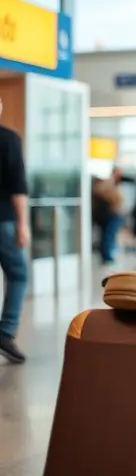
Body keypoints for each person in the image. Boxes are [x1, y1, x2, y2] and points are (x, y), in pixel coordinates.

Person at [0, 96, 29, 364]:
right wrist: (23, 224)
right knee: (18, 276)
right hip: (4, 222)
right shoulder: (8, 139)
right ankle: (6, 332)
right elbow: (18, 187)